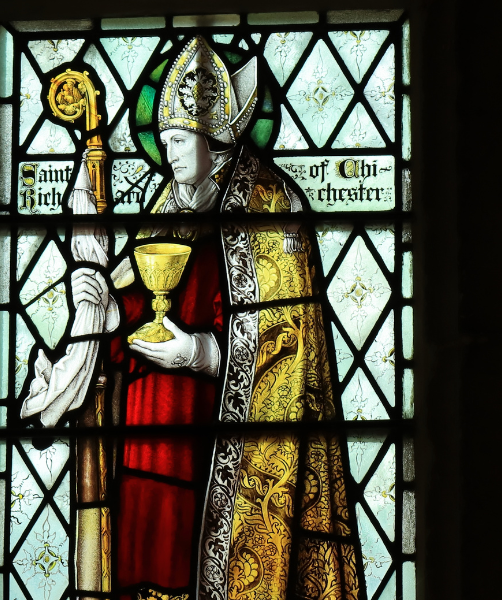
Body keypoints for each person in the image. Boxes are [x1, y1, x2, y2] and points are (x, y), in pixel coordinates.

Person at [22, 35, 361, 600]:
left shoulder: (271, 206)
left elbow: (288, 342)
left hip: (214, 442)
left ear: (214, 139)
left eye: (179, 141)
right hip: (147, 434)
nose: (169, 154)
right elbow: (142, 301)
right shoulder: (168, 206)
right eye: (164, 142)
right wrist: (109, 313)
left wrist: (201, 354)